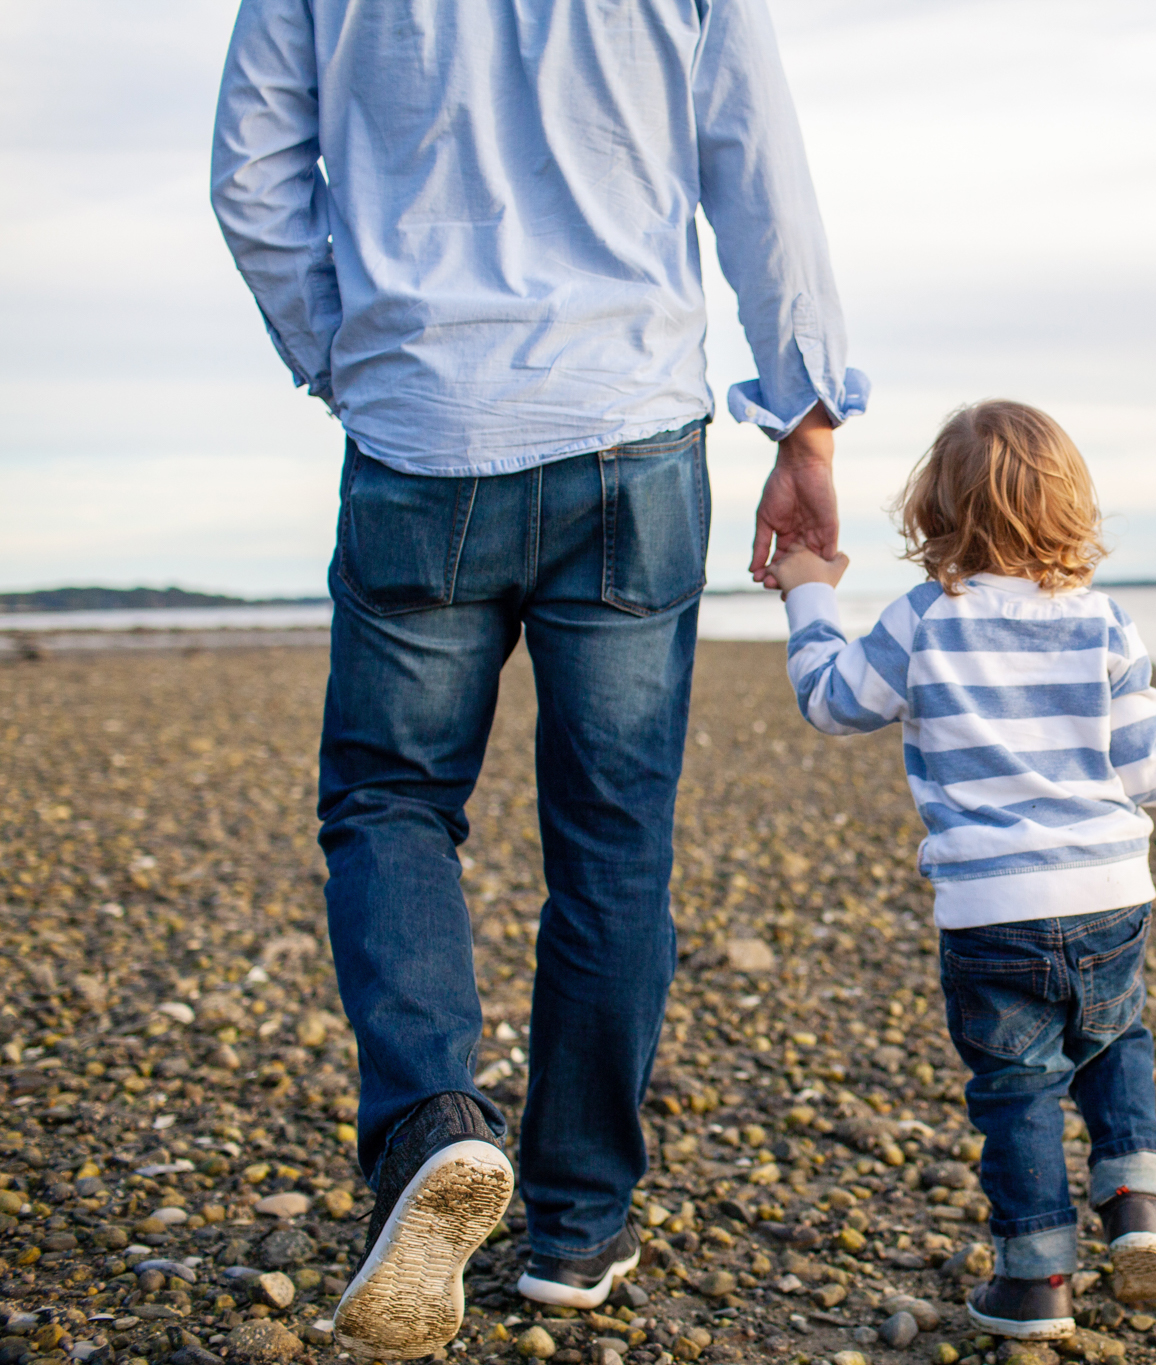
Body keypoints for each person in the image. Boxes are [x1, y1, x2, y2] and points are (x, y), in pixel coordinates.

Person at [209, 0, 863, 1355]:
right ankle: (574, 1230)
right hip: (630, 431)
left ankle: (434, 1127)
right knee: (613, 839)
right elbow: (758, 170)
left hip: (418, 429)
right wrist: (803, 419)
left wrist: (342, 354)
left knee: (392, 801)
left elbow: (252, 170)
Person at [769, 400, 1156, 1342]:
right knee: (1113, 1040)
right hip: (1108, 891)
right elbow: (1147, 765)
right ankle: (1138, 1205)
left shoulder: (928, 618)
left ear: (936, 510)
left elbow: (829, 698)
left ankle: (1036, 1282)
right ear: (1069, 508)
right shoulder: (1103, 621)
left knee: (1017, 1086)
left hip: (990, 906)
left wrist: (808, 591)